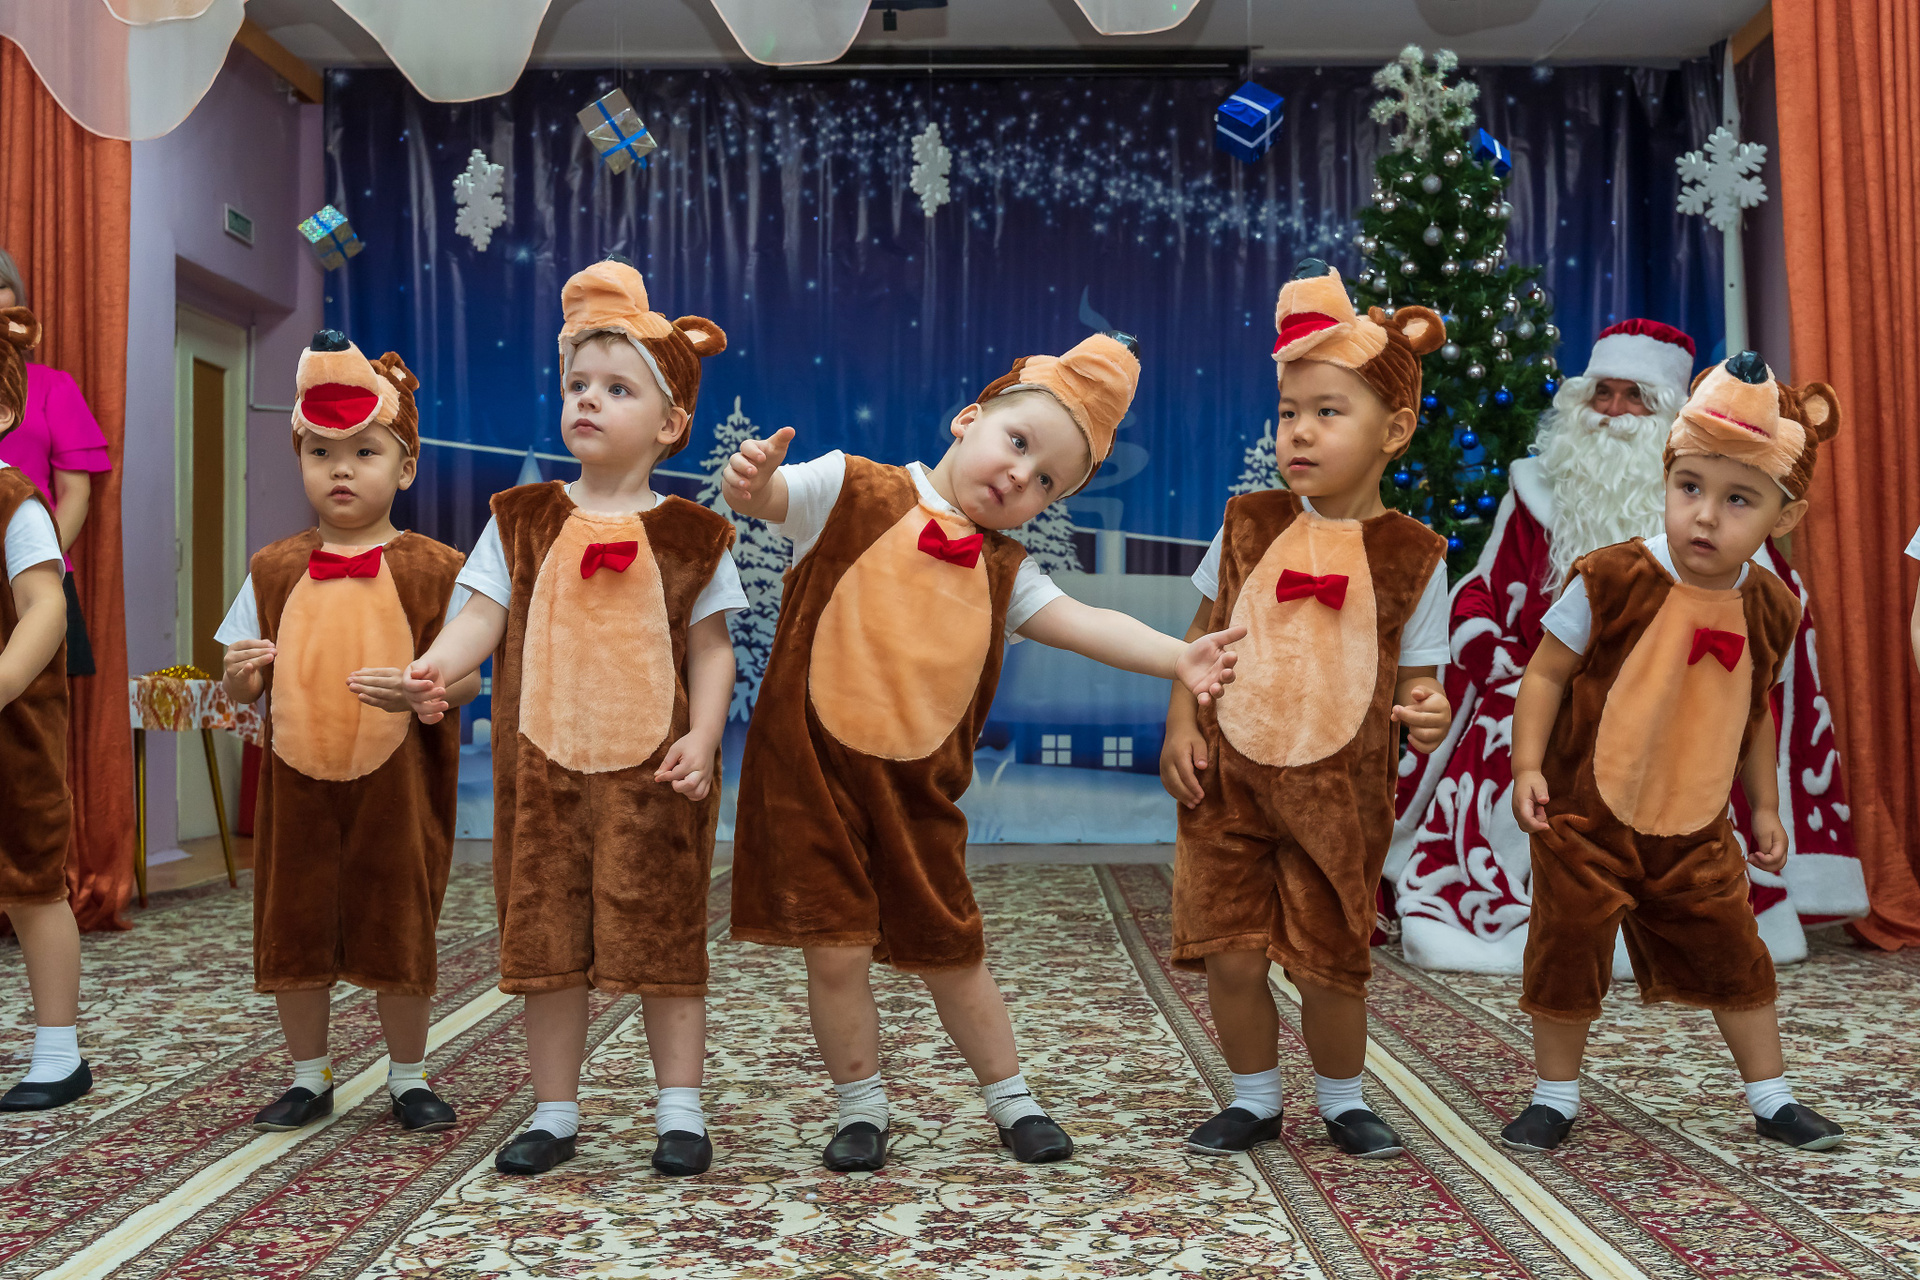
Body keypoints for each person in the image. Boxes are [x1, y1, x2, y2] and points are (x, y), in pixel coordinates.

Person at [724, 330, 1244, 1173]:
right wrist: (752, 484)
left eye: (1047, 482)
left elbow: (1087, 623)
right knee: (835, 954)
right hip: (811, 785)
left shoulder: (1007, 571)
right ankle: (861, 1109)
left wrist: (1177, 658)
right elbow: (772, 498)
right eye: (1018, 442)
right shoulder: (850, 487)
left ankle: (1014, 1100)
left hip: (918, 796)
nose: (1019, 477)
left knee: (953, 952)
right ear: (969, 419)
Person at [403, 258, 744, 1178]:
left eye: (617, 388)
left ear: (670, 422)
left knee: (665, 942)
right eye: (577, 385)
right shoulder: (519, 519)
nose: (588, 399)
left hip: (656, 780)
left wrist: (703, 736)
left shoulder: (694, 534)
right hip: (541, 778)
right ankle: (554, 1113)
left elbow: (713, 649)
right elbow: (481, 616)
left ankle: (680, 1112)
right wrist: (434, 666)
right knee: (545, 947)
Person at [1390, 321, 1865, 975]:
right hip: (1545, 681)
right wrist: (1491, 655)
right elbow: (1483, 592)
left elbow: (1759, 681)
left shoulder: (1723, 533)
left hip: (1676, 699)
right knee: (1514, 720)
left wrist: (1765, 805)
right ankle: (1530, 906)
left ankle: (1649, 914)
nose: (1613, 411)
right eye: (1602, 393)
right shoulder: (1542, 501)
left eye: (1635, 396)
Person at [1501, 350, 1845, 1154]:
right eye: (1689, 488)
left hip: (1694, 824)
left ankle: (1773, 1097)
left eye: (1738, 500)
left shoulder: (1771, 607)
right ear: (1666, 478)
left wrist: (1765, 804)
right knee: (1566, 953)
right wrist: (1526, 766)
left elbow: (1755, 712)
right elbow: (1544, 674)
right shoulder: (1610, 577)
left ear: (1783, 517)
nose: (1705, 517)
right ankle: (1554, 1097)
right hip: (1585, 818)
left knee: (1738, 954)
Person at [1162, 259, 1452, 1160]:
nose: (1300, 432)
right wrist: (1180, 724)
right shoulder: (1246, 524)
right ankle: (1254, 1098)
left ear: (1393, 429)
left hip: (1339, 795)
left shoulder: (1416, 556)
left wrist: (1428, 709)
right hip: (1230, 782)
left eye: (1329, 412)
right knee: (1231, 949)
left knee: (1330, 962)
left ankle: (1343, 1099)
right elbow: (1199, 636)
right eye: (1289, 412)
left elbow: (1420, 679)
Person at [219, 332, 473, 1135]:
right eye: (321, 452)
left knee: (398, 921)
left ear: (405, 468)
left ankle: (409, 1076)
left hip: (399, 788)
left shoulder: (439, 568)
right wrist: (239, 676)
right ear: (299, 461)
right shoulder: (272, 568)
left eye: (365, 452)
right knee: (293, 923)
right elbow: (238, 690)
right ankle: (309, 1075)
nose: (341, 469)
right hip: (295, 787)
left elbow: (470, 678)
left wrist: (424, 688)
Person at [0, 307, 87, 1112]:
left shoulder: (15, 502)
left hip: (11, 737)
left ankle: (58, 1053)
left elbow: (44, 608)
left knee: (30, 882)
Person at [0, 249, 113, 676]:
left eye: (0, 285)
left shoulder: (52, 386)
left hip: (36, 570)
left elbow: (75, 494)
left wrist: (32, 557)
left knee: (40, 704)